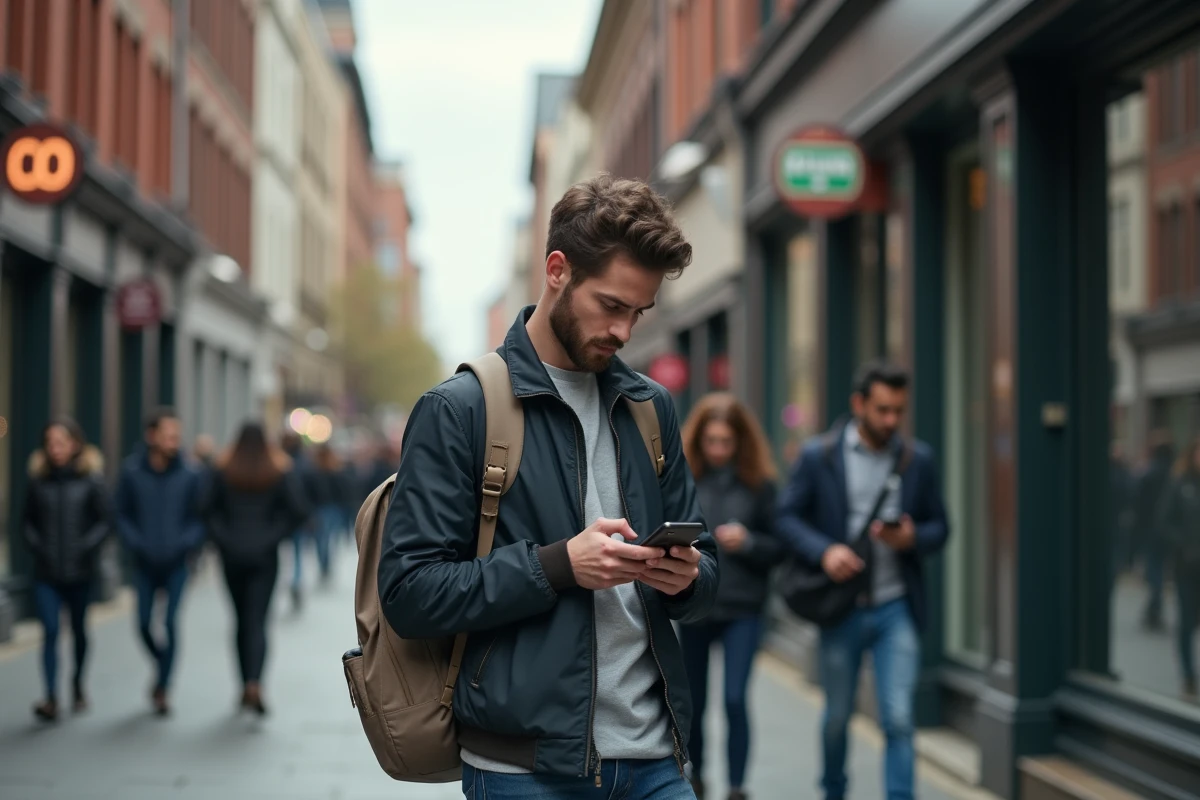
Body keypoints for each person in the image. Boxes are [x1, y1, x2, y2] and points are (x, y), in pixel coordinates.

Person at [378, 173, 718, 799]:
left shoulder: (651, 407)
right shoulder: (460, 409)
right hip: (523, 770)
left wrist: (689, 579)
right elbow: (409, 593)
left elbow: (707, 576)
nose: (624, 331)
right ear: (557, 270)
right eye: (611, 306)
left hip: (655, 760)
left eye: (638, 313)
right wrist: (558, 565)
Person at [776, 362, 950, 800]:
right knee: (837, 717)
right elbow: (786, 517)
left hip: (896, 606)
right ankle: (834, 790)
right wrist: (825, 551)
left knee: (899, 719)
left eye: (899, 411)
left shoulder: (917, 460)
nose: (891, 420)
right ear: (859, 404)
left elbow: (942, 527)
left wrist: (912, 537)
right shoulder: (819, 456)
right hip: (842, 607)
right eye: (882, 410)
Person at [676, 393, 783, 800]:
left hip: (743, 608)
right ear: (699, 440)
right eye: (711, 441)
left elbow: (781, 548)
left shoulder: (760, 485)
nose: (718, 449)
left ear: (740, 441)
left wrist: (749, 542)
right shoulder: (684, 481)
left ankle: (738, 788)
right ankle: (697, 779)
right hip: (695, 606)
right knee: (694, 702)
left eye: (726, 441)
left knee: (735, 699)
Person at [204, 423, 309, 714]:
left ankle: (244, 683)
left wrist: (224, 540)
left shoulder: (224, 470)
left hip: (232, 556)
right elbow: (298, 511)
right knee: (258, 621)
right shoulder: (278, 470)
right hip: (265, 557)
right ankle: (255, 682)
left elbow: (206, 510)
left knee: (240, 620)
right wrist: (273, 536)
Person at [114, 407, 206, 716]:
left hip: (177, 563)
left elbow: (199, 517)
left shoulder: (190, 474)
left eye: (177, 436)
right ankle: (161, 662)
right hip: (144, 562)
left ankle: (163, 687)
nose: (174, 441)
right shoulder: (132, 472)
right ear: (151, 436)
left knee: (169, 623)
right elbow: (121, 514)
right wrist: (135, 542)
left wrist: (186, 543)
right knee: (142, 623)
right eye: (168, 435)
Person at [22, 418, 110, 722]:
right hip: (46, 572)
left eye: (61, 442)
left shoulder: (91, 481)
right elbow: (26, 523)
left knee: (79, 630)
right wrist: (38, 547)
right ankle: (50, 696)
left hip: (80, 571)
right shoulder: (38, 482)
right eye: (50, 443)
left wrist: (86, 547)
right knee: (49, 631)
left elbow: (104, 521)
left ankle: (77, 683)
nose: (55, 449)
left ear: (75, 444)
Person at [1155, 436, 1200, 701]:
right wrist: (1183, 545)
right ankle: (1188, 675)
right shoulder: (1180, 484)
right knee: (1186, 621)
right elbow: (1163, 521)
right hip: (1186, 566)